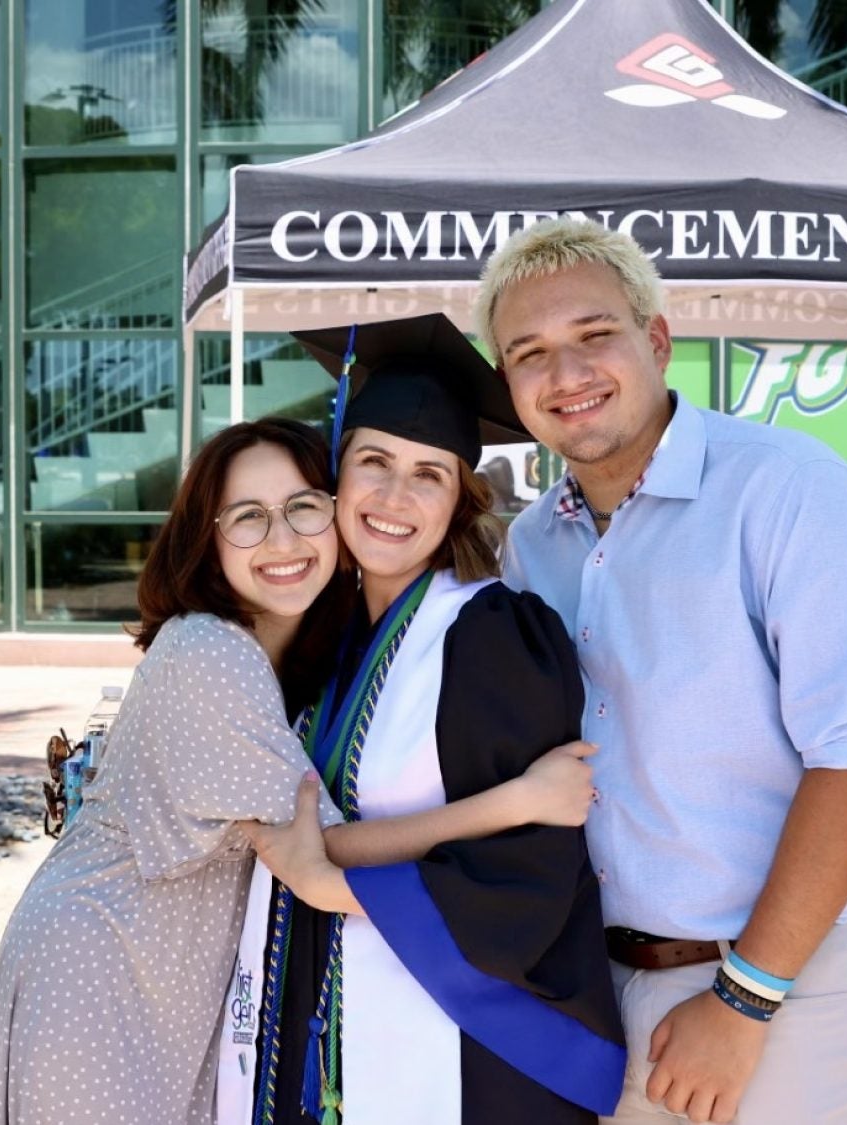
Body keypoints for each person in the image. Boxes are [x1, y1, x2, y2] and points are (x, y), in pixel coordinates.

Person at [0, 418, 597, 1125]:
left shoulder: (301, 655)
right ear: (206, 538)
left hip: (168, 981)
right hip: (102, 970)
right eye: (248, 517)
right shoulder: (212, 653)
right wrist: (517, 800)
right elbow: (318, 844)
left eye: (304, 506)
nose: (282, 540)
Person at [472, 218, 847, 1125]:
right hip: (602, 984)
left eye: (594, 335)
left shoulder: (787, 492)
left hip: (784, 987)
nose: (566, 375)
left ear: (658, 339)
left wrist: (747, 996)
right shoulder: (532, 544)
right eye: (530, 353)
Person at [222, 315, 626, 1125]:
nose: (395, 498)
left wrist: (329, 884)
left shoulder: (491, 636)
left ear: (458, 501)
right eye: (374, 462)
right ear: (334, 475)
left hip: (474, 1055)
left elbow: (527, 878)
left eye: (428, 474)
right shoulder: (322, 642)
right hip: (331, 1021)